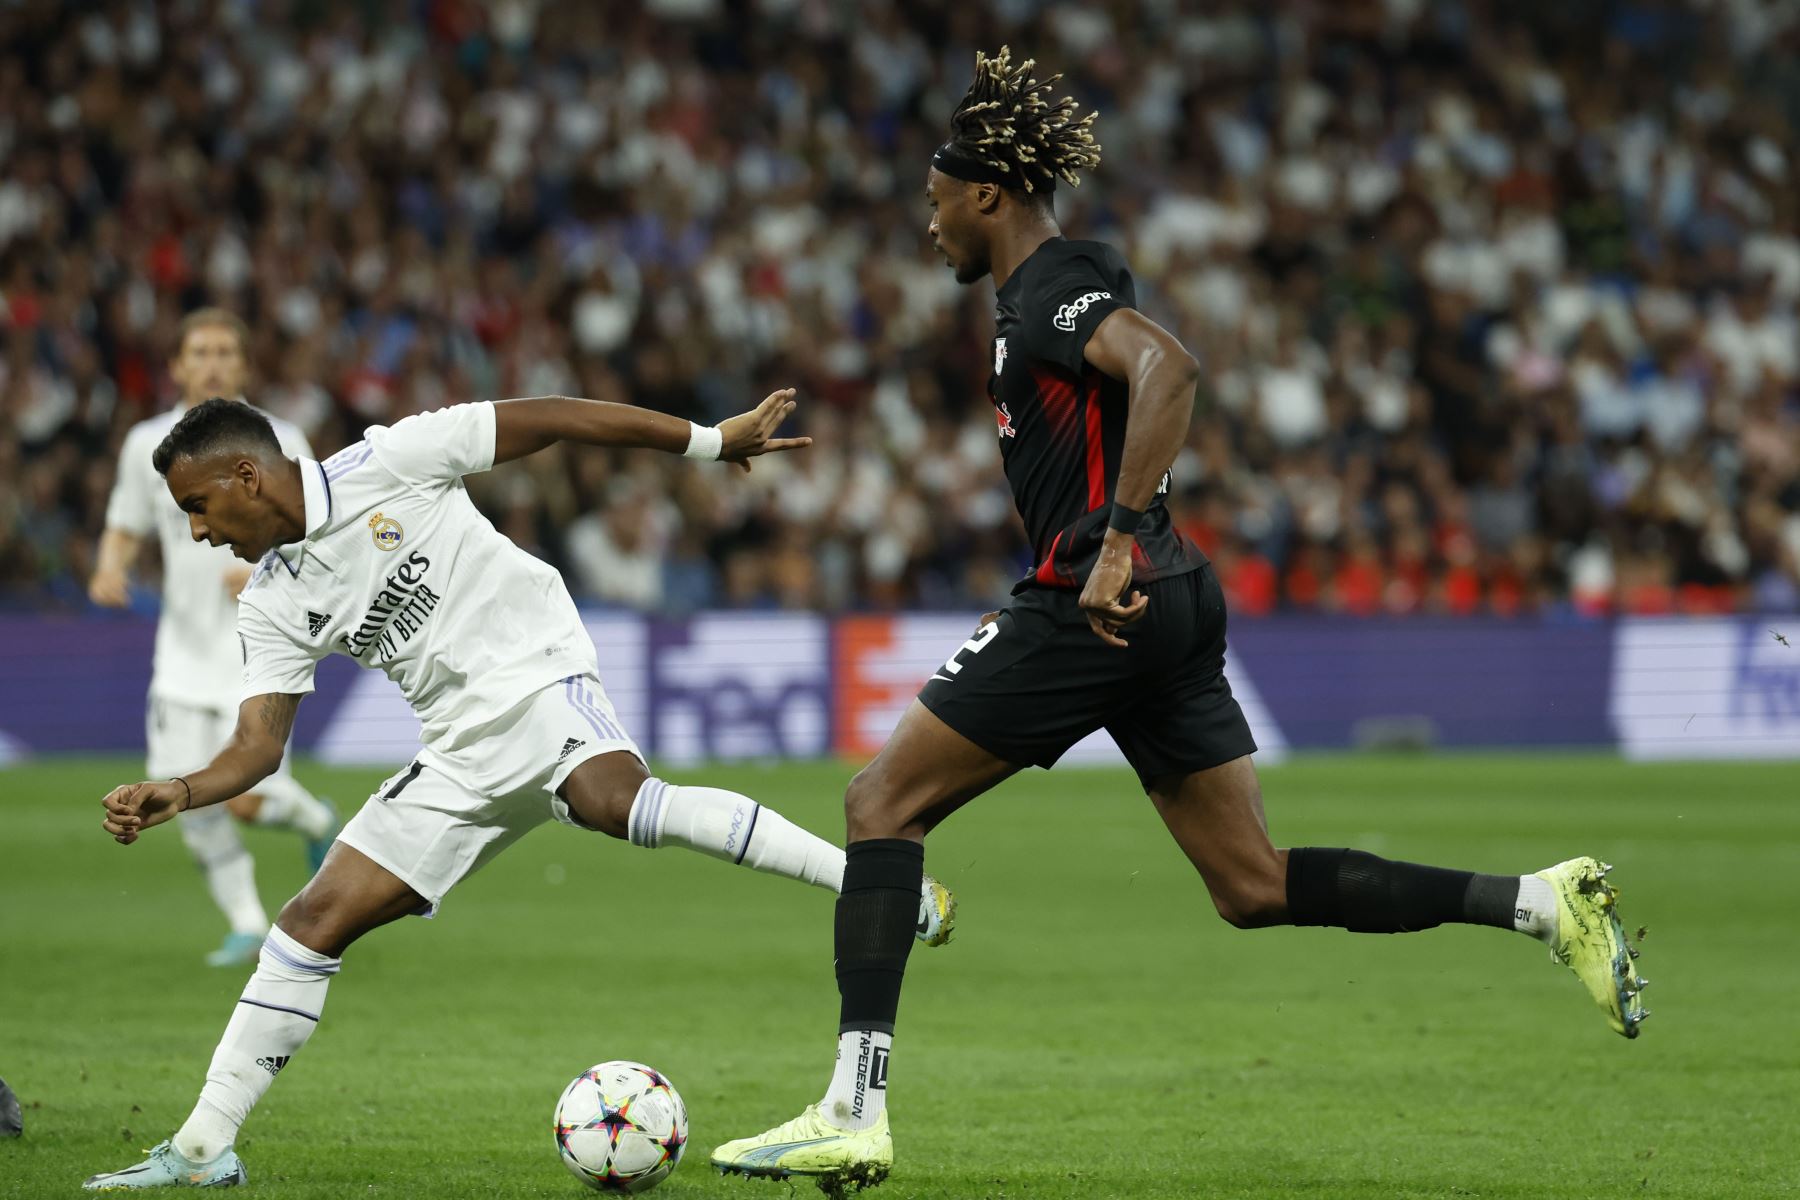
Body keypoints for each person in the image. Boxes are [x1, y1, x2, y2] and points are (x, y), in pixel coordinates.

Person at [712, 48, 1648, 1190]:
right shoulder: (1037, 291)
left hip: (1094, 598)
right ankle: (1539, 905)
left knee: (880, 802)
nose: (930, 224)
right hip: (1168, 598)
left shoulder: (1053, 283)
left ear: (987, 195)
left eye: (937, 200)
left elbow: (1171, 368)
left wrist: (1112, 541)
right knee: (1250, 884)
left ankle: (852, 1109)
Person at [80, 389, 955, 1190]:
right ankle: (202, 1149)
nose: (197, 534)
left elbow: (559, 416)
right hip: (458, 747)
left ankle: (881, 885)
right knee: (311, 922)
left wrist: (707, 443)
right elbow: (258, 746)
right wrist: (183, 790)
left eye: (198, 507)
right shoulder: (270, 599)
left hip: (536, 672)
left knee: (622, 805)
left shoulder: (393, 459)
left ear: (245, 474)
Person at [90, 308, 340, 967]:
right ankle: (246, 923)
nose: (212, 362)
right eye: (198, 350)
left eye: (226, 350)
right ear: (175, 365)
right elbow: (125, 523)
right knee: (183, 795)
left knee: (247, 797)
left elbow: (318, 528)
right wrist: (109, 569)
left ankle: (315, 820)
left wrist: (268, 562)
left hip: (258, 648)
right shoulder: (148, 442)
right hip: (181, 655)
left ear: (245, 365)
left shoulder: (281, 437)